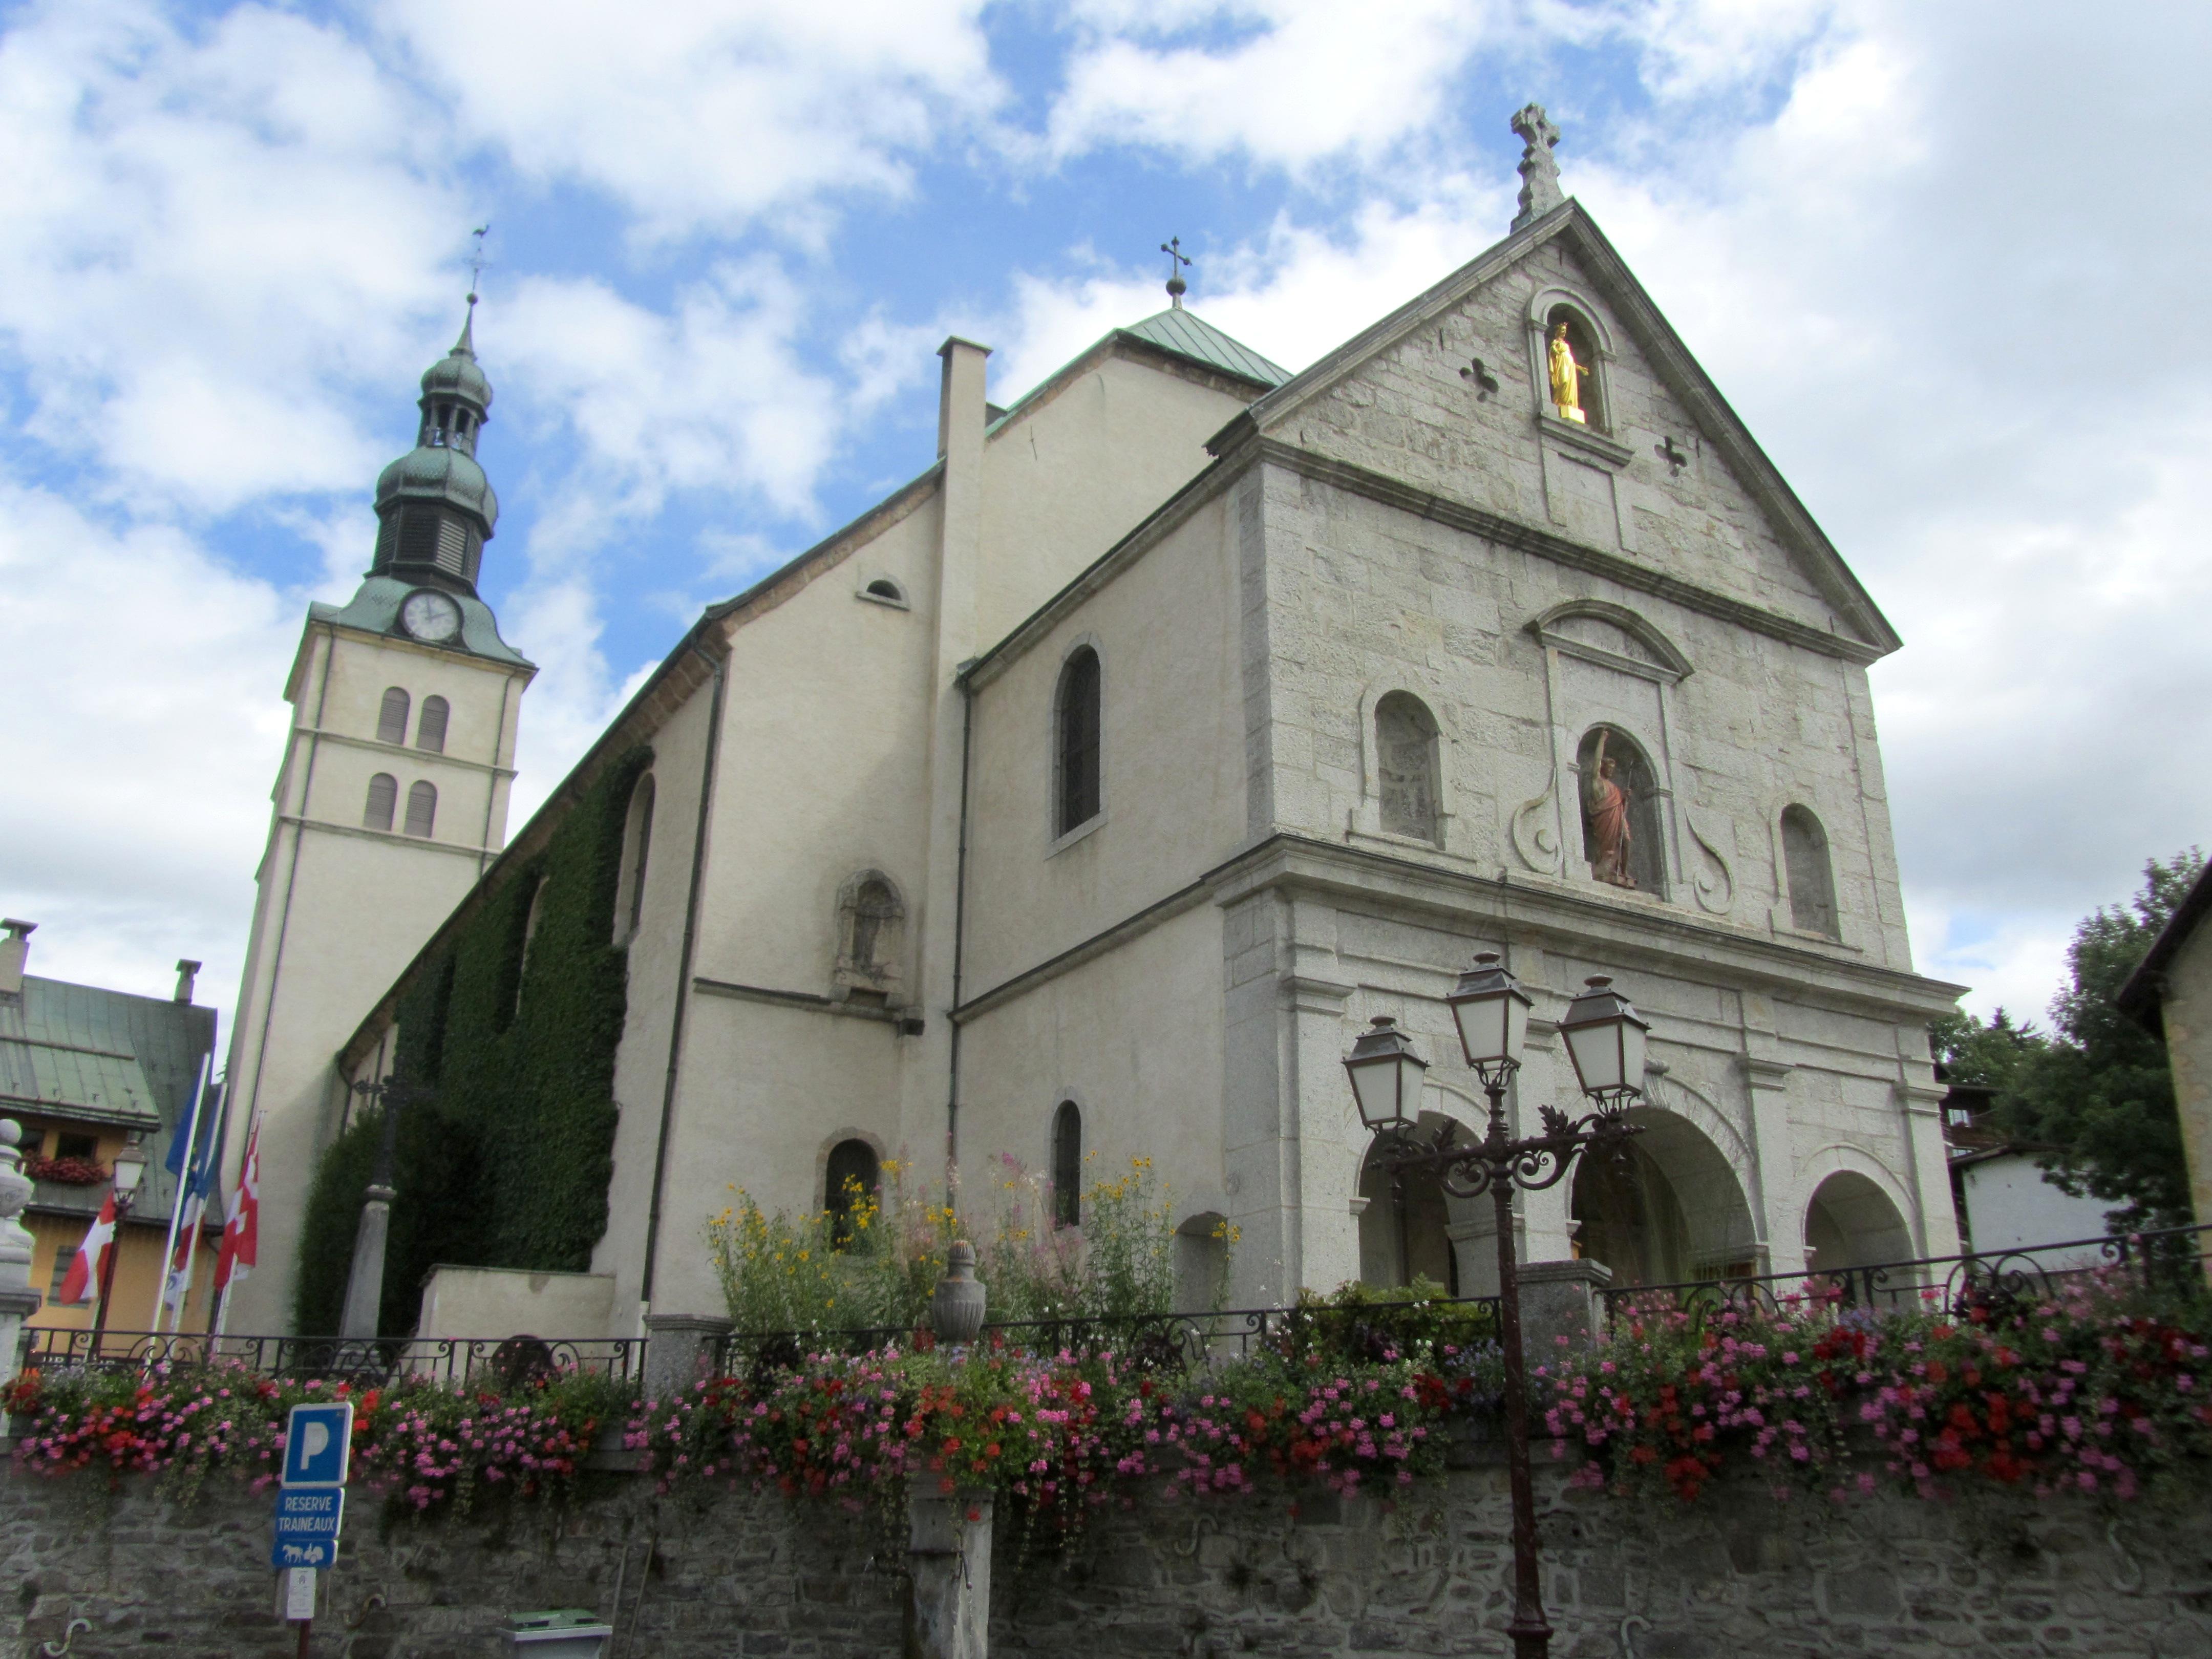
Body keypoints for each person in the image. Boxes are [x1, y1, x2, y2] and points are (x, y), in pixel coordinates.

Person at [1585, 730, 1634, 887]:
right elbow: (1597, 760)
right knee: (1608, 849)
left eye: (1613, 769)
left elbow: (1618, 806)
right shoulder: (1597, 783)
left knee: (1626, 841)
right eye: (1609, 768)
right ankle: (1607, 870)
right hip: (1605, 821)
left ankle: (1623, 871)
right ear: (1602, 768)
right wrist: (1602, 740)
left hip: (1618, 818)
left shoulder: (1614, 788)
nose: (1611, 771)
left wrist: (1624, 799)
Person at [1548, 321, 1586, 423]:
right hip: (1561, 363)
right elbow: (1553, 353)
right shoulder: (1556, 343)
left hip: (1570, 365)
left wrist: (1580, 368)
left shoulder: (1566, 345)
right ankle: (1559, 402)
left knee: (1570, 385)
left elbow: (1571, 359)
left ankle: (1569, 404)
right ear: (1559, 331)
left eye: (1565, 331)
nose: (1564, 333)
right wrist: (1554, 350)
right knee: (1563, 381)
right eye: (1563, 330)